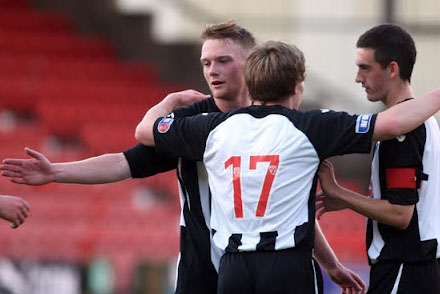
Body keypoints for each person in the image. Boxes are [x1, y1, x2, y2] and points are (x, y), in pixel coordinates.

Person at [1, 21, 366, 294]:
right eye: (206, 62)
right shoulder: (192, 124)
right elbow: (124, 163)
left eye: (223, 60)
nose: (212, 70)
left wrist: (329, 262)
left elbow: (287, 207)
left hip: (265, 263)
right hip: (202, 266)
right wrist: (55, 172)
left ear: (251, 63)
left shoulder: (284, 128)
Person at [135, 40, 440, 294]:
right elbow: (396, 122)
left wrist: (169, 101)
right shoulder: (312, 126)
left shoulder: (211, 128)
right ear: (298, 85)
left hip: (233, 269)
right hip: (288, 266)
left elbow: (145, 131)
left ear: (251, 84)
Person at [316, 24, 440, 294]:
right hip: (411, 268)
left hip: (404, 268)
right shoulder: (419, 119)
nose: (358, 78)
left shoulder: (404, 130)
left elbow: (400, 214)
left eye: (365, 68)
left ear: (392, 69)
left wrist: (341, 192)